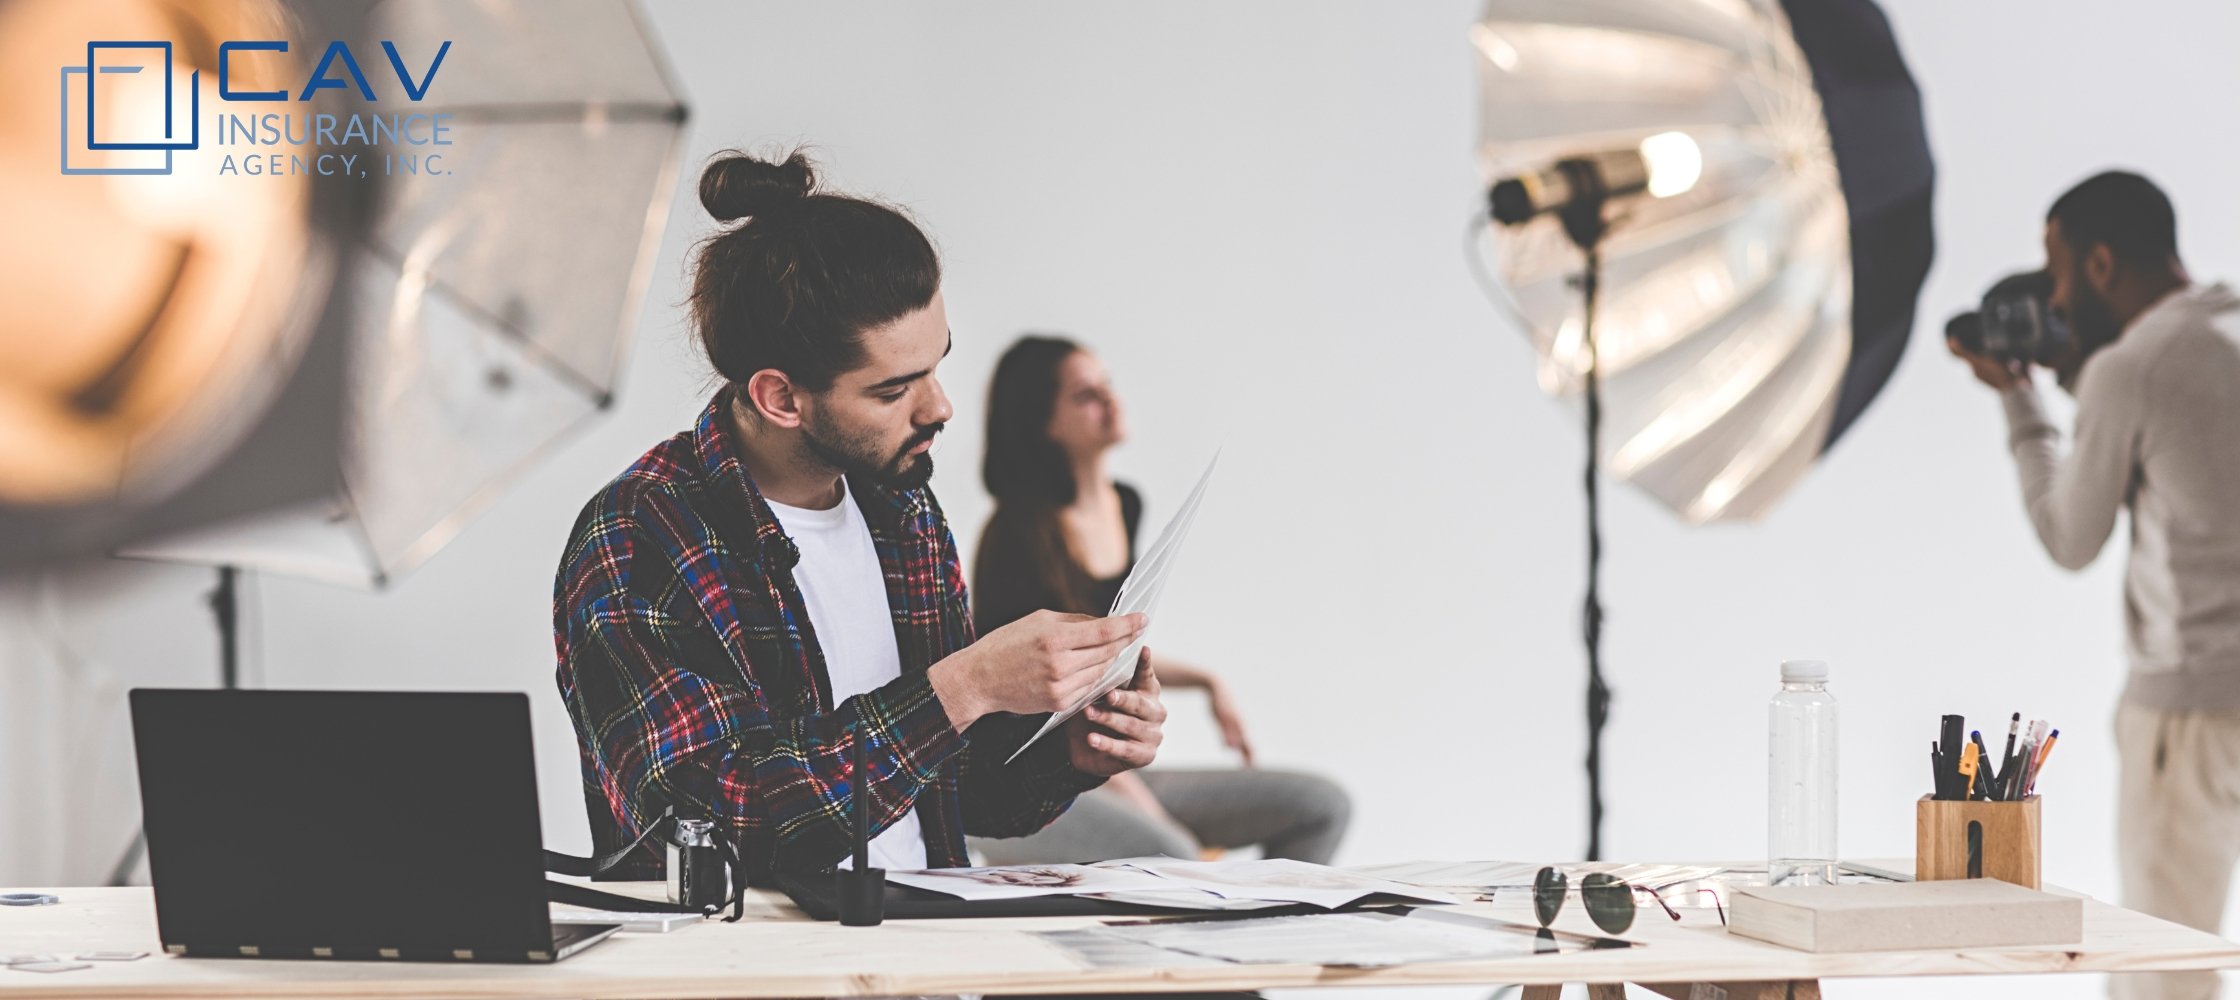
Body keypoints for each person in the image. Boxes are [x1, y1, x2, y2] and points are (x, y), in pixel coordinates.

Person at [553, 151, 1169, 886]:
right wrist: (962, 686)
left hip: (928, 948)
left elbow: (945, 793)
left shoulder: (901, 510)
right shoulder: (641, 534)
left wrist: (1072, 756)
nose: (939, 407)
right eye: (893, 390)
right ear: (781, 397)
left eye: (938, 364)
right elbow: (715, 827)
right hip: (759, 971)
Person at [1949, 171, 2240, 1000]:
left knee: (2163, 972)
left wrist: (2018, 398)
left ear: (2102, 263)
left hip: (2189, 710)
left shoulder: (2132, 367)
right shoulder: (2215, 331)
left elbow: (2070, 535)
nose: (2055, 289)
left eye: (2059, 266)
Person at [968, 335, 1351, 866]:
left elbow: (1113, 657)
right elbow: (1066, 700)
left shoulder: (1123, 504)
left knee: (1322, 806)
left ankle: (1268, 939)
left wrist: (1208, 681)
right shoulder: (1015, 536)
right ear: (1046, 423)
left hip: (1111, 764)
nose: (1111, 401)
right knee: (1171, 853)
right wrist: (1160, 820)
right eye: (1086, 395)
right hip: (1032, 781)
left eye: (1109, 385)